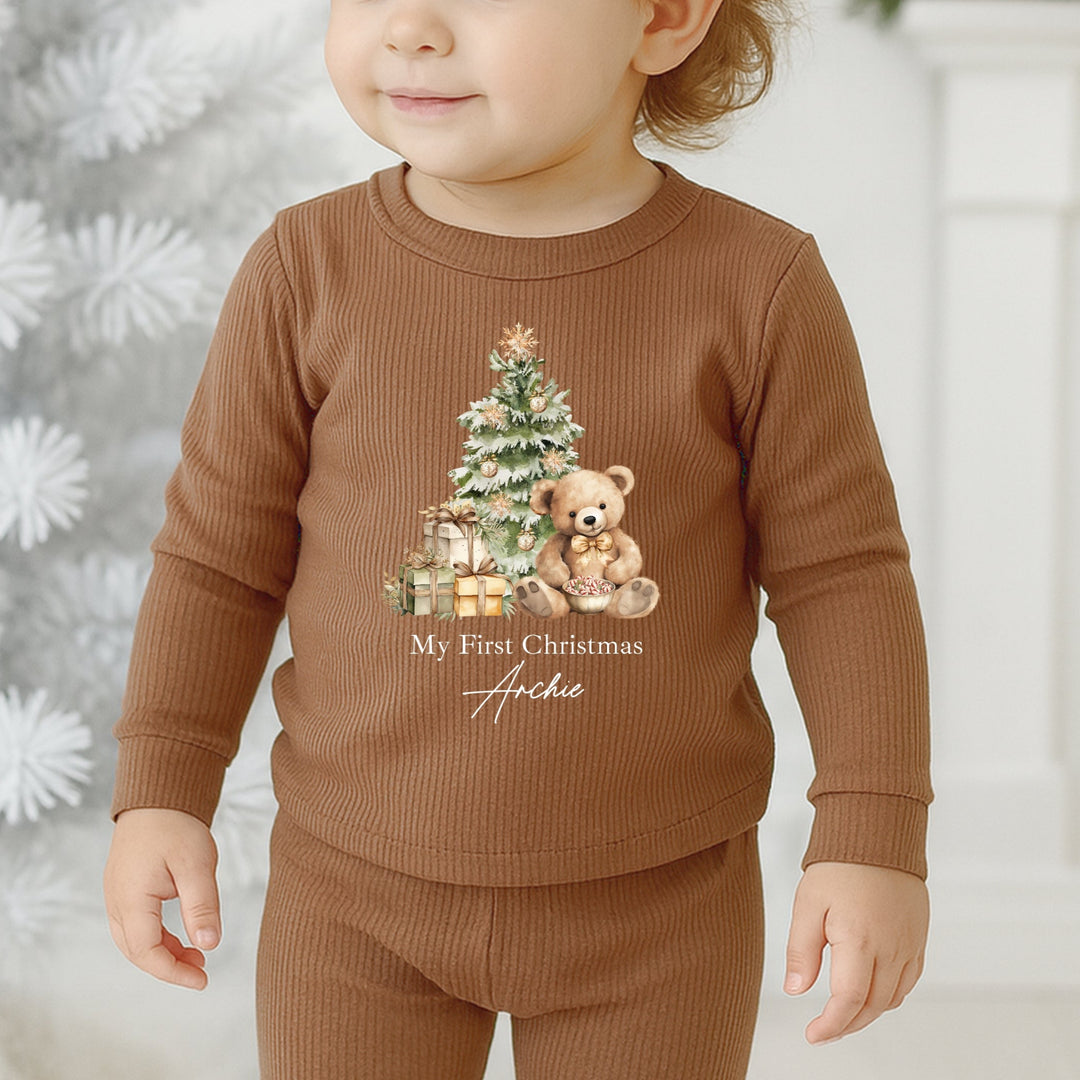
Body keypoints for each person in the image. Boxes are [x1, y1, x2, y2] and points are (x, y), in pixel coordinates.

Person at [102, 0, 934, 1077]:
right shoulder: (303, 268)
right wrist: (162, 787)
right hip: (352, 896)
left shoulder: (757, 286)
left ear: (666, 17)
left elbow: (844, 576)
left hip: (661, 907)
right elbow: (217, 557)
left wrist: (872, 832)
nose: (408, 27)